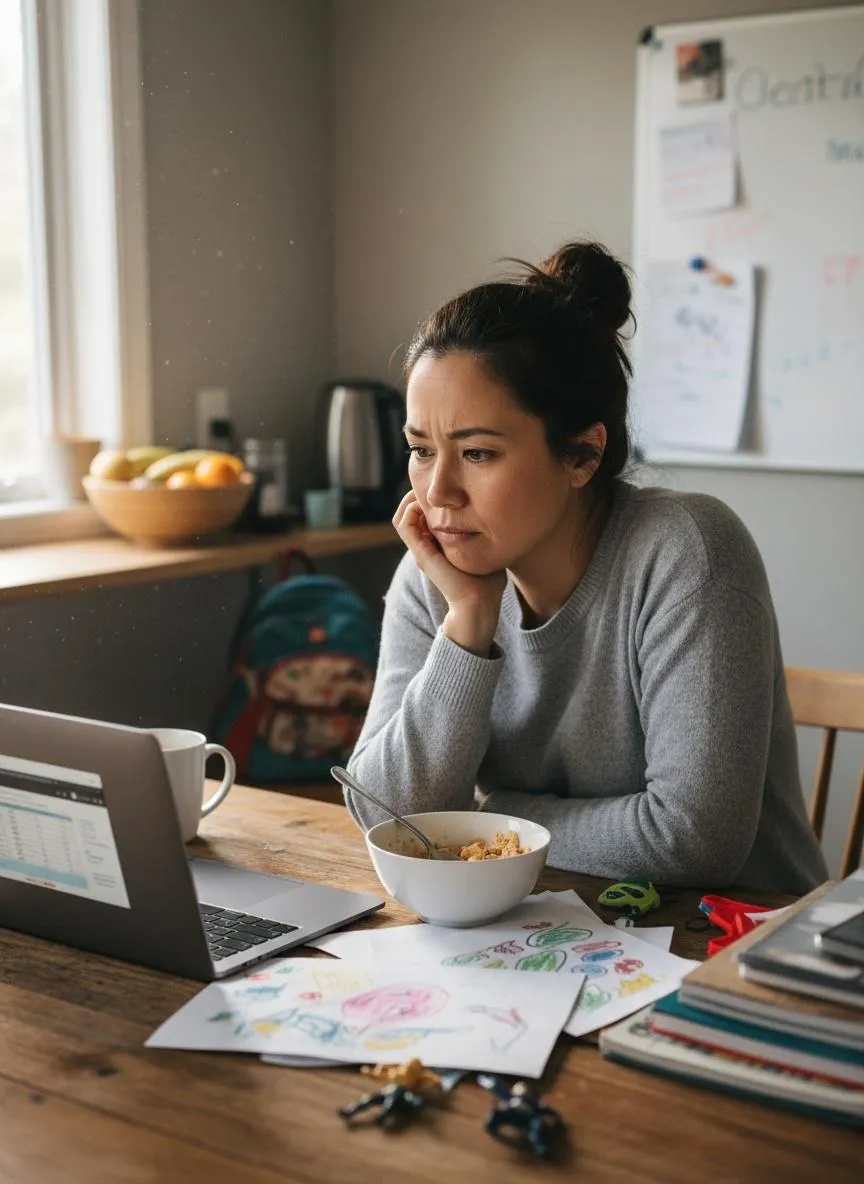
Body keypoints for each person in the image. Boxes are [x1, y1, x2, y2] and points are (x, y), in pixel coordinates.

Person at [344, 241, 827, 894]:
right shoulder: (437, 578)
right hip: (539, 932)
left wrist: (488, 820)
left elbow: (693, 840)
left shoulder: (686, 551)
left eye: (479, 453)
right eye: (420, 450)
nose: (437, 494)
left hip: (726, 951)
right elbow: (386, 816)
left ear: (582, 455)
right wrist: (469, 621)